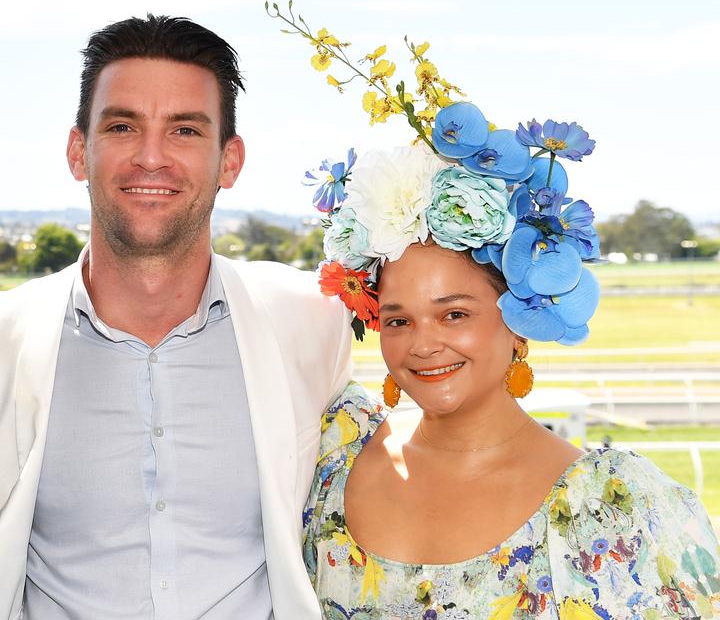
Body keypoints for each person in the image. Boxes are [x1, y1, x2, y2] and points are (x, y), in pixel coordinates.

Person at [0, 15, 354, 619]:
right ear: (77, 150)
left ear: (231, 160)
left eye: (186, 130)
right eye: (121, 126)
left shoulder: (311, 321)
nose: (150, 157)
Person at [303, 106, 720, 617]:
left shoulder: (615, 507)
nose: (424, 344)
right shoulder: (329, 466)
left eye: (453, 314)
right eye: (398, 320)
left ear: (518, 320)